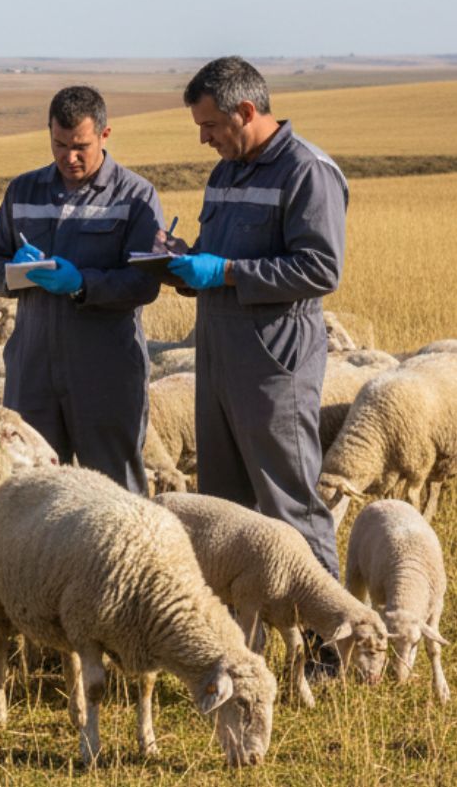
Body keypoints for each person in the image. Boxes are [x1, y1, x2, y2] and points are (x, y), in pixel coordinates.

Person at [162, 56, 346, 582]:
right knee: (224, 504)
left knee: (288, 501)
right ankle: (245, 640)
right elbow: (215, 261)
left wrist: (224, 271)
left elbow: (320, 268)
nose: (204, 140)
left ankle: (327, 640)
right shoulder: (224, 172)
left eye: (210, 126)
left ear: (245, 111)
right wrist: (180, 260)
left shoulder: (308, 171)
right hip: (218, 352)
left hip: (273, 360)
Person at [0, 87, 164, 493]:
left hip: (105, 372)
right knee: (29, 491)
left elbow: (146, 281)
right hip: (33, 370)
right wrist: (12, 271)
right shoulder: (22, 192)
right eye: (59, 145)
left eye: (80, 146)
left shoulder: (135, 197)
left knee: (114, 494)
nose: (69, 157)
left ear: (105, 134)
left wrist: (83, 284)